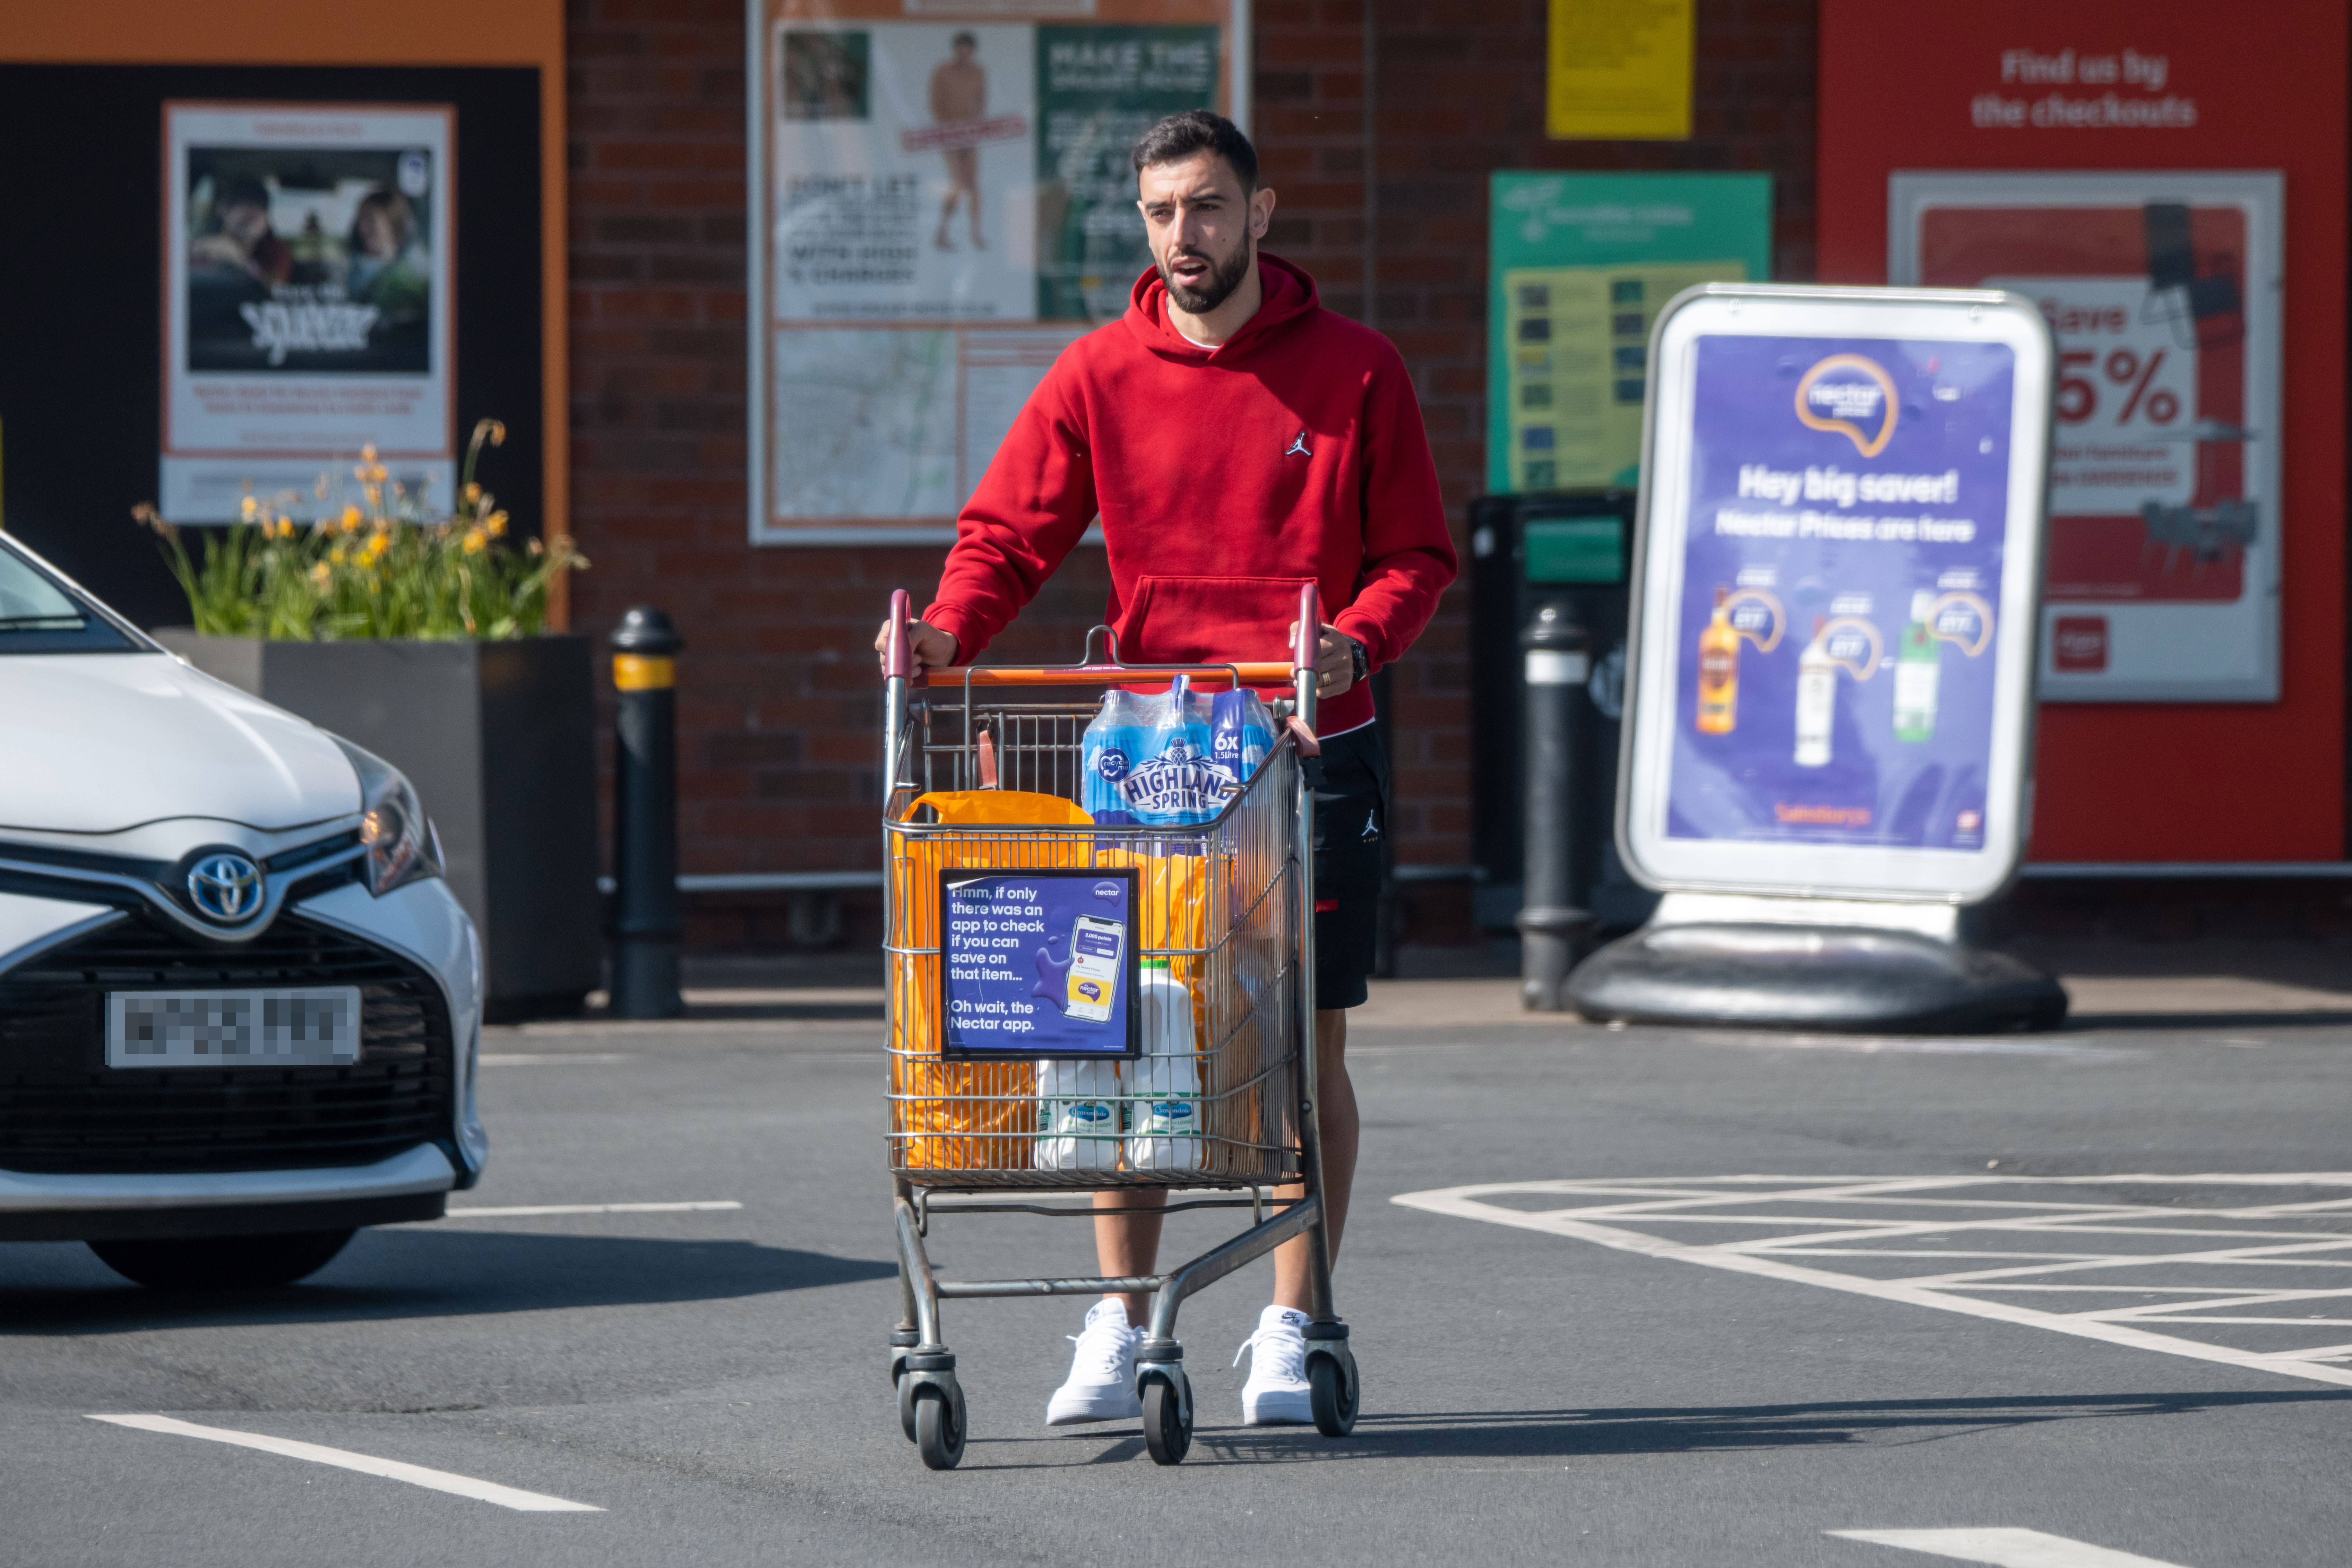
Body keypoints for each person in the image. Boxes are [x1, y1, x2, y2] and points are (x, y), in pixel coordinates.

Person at [874, 109, 1455, 1428]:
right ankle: (1120, 1319)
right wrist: (949, 630)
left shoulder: (1357, 372)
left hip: (1305, 752)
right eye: (1156, 213)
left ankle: (1289, 1327)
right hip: (1148, 759)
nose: (1179, 236)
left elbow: (1415, 558)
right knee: (1120, 1033)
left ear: (1259, 214)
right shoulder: (1097, 374)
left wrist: (1351, 648)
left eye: (1203, 207)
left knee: (1298, 1050)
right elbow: (1005, 535)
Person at [929, 32, 987, 250]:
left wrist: (973, 131)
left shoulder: (978, 73)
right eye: (960, 51)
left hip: (969, 134)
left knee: (973, 184)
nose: (964, 56)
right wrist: (949, 132)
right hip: (948, 134)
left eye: (968, 52)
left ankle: (975, 234)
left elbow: (981, 104)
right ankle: (941, 234)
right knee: (957, 183)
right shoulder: (942, 72)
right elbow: (936, 104)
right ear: (955, 50)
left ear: (972, 52)